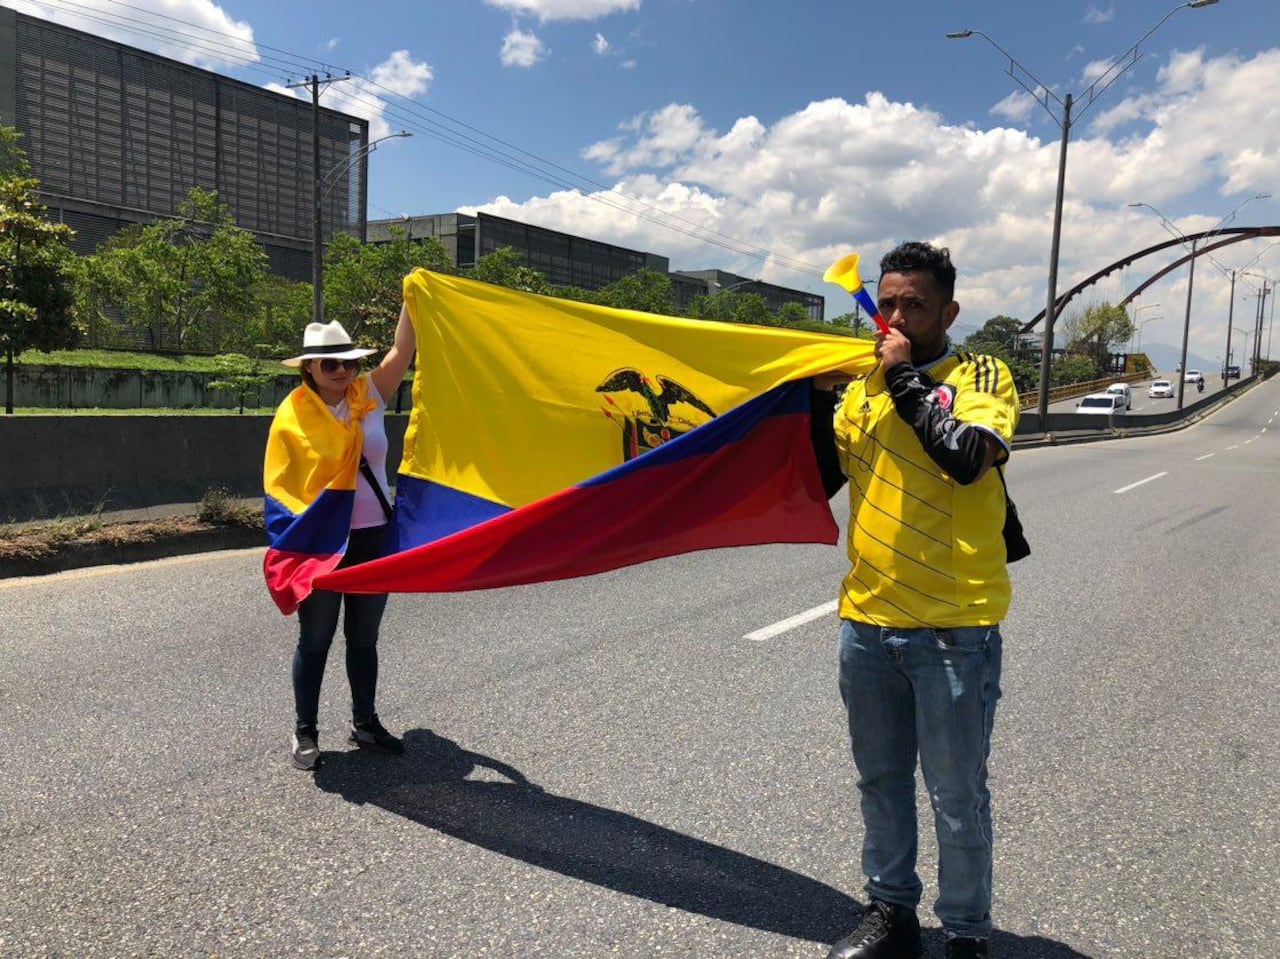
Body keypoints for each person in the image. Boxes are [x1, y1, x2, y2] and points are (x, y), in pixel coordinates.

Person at [811, 242, 1019, 959]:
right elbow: (820, 479)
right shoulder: (860, 389)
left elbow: (965, 458)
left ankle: (965, 932)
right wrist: (812, 400)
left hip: (954, 628)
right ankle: (892, 913)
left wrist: (900, 374)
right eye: (888, 302)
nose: (896, 317)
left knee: (956, 795)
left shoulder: (981, 373)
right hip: (866, 621)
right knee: (880, 781)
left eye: (915, 305)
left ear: (948, 312)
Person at [271, 308, 415, 771]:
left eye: (349, 362)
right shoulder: (292, 415)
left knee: (364, 638)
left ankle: (365, 722)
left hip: (373, 536)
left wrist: (412, 297)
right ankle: (305, 731)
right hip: (320, 543)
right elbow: (281, 483)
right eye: (330, 364)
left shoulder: (369, 393)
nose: (342, 371)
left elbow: (403, 350)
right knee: (316, 639)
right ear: (309, 368)